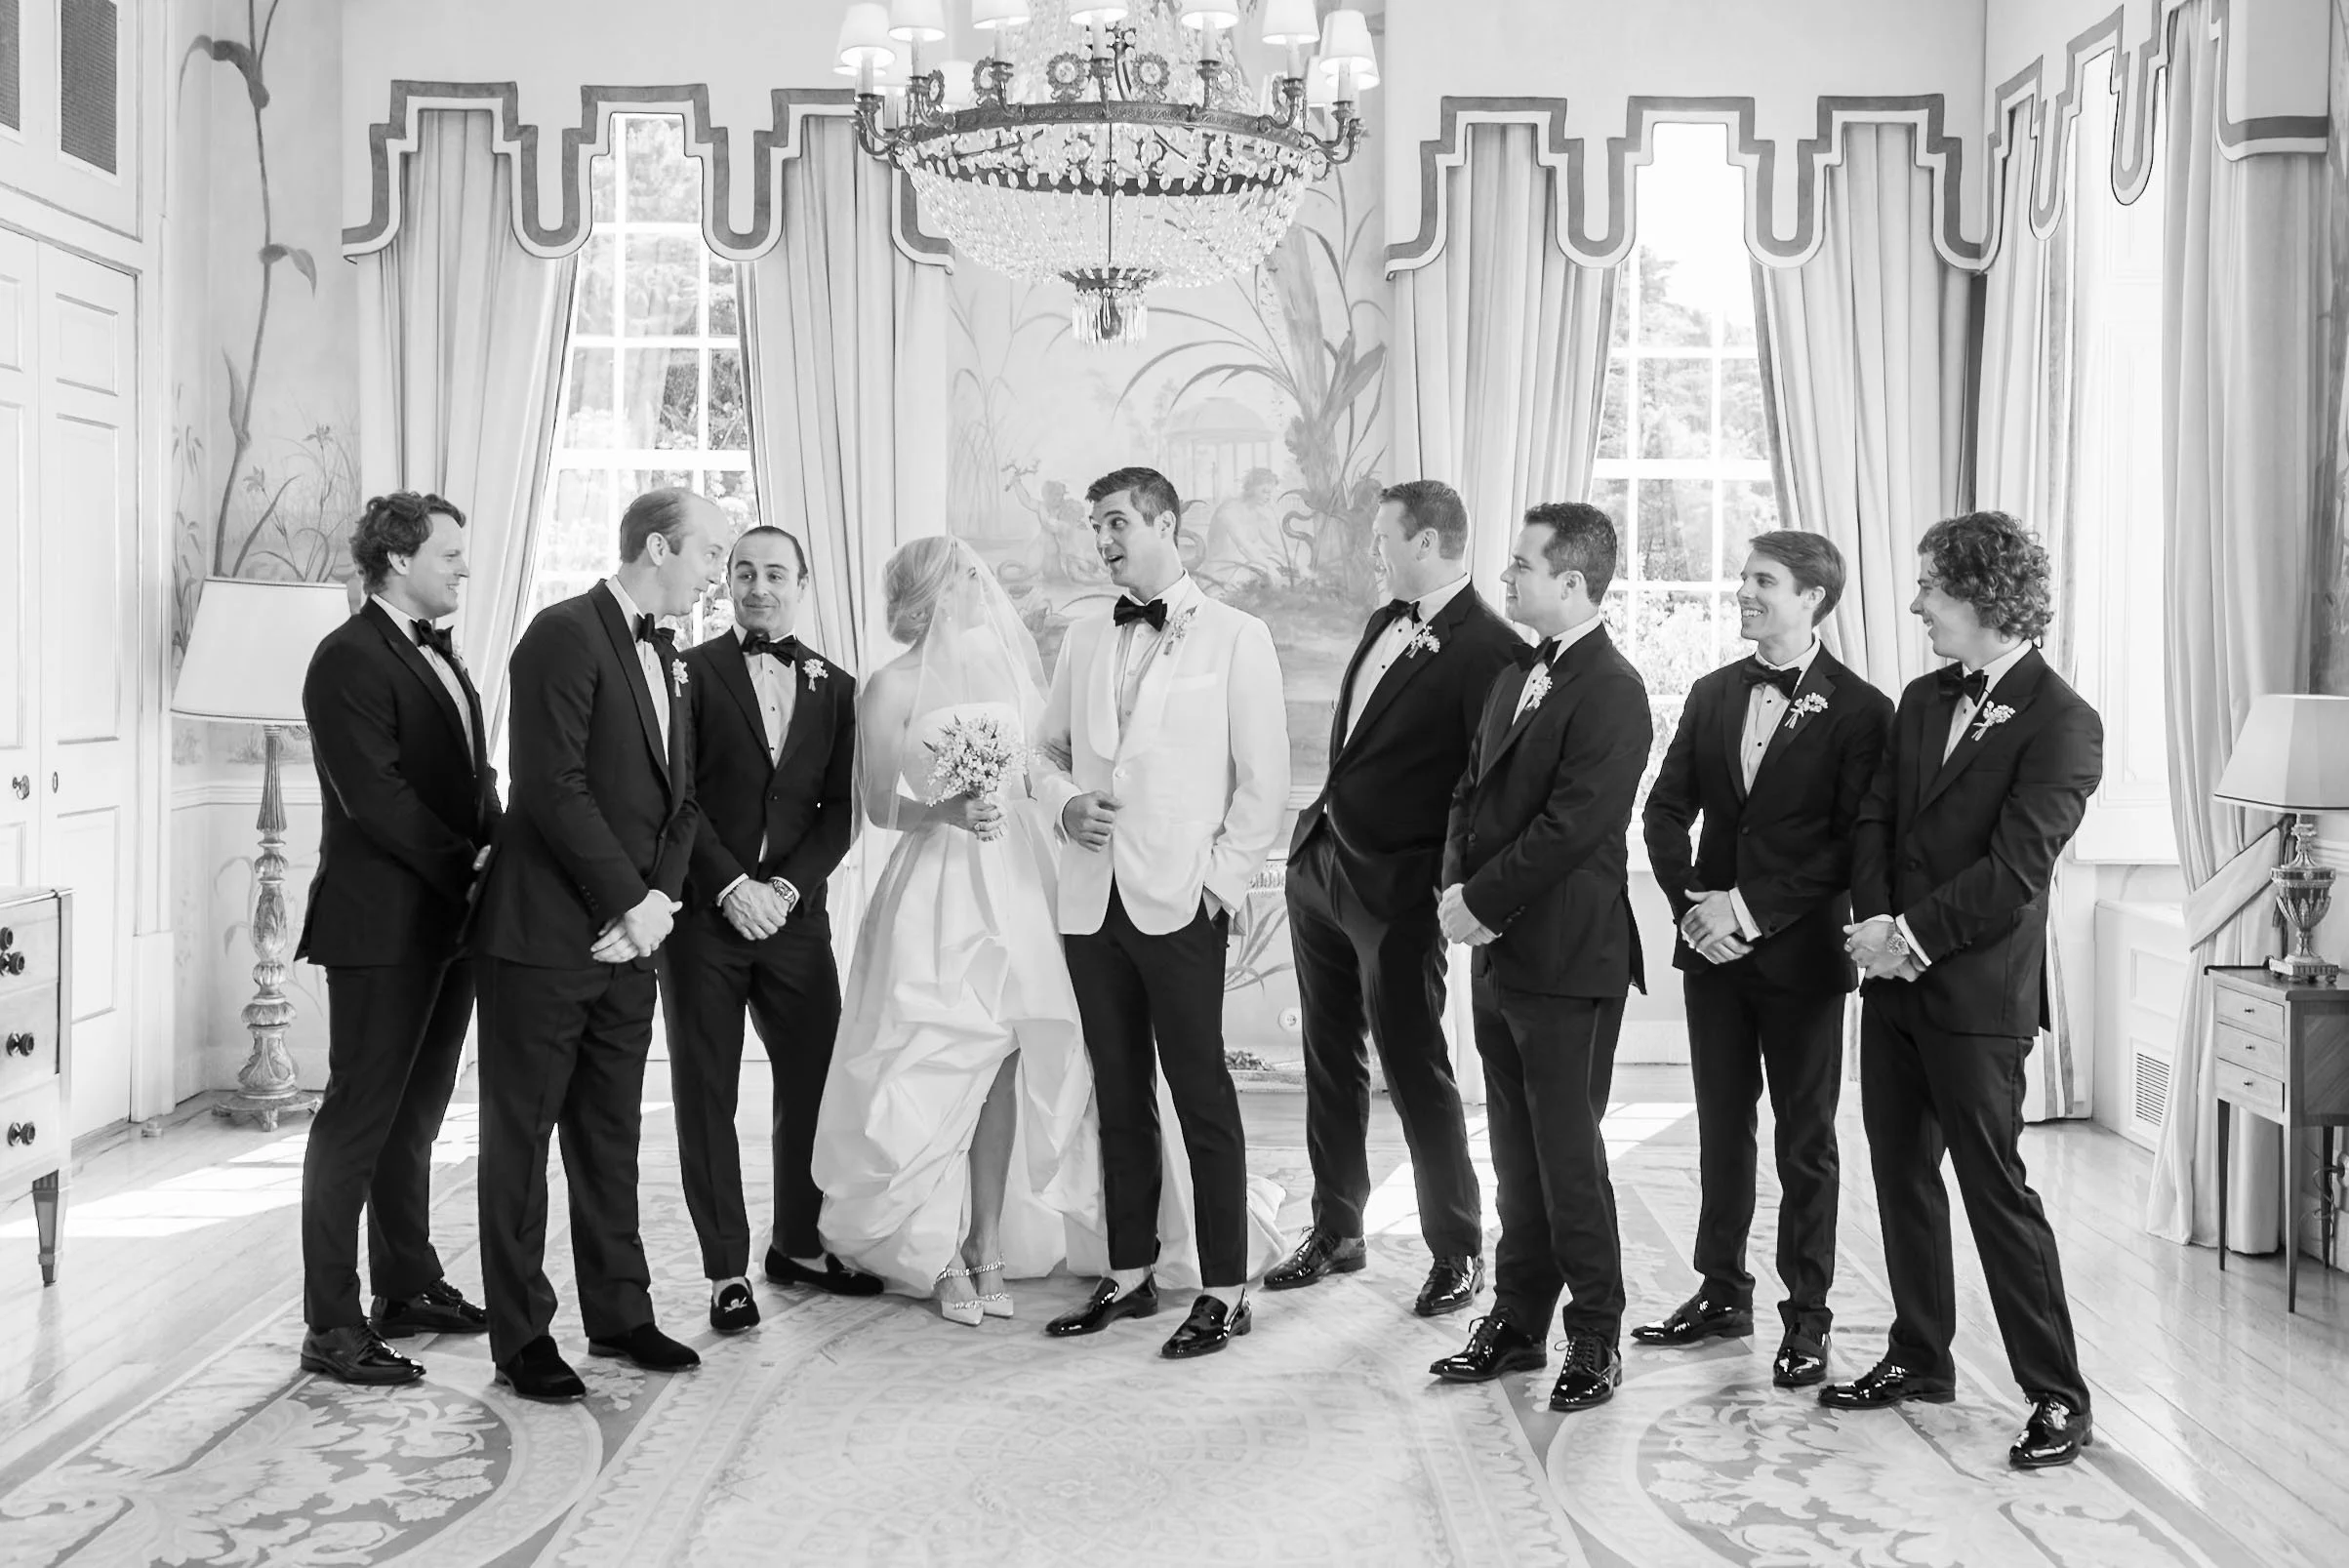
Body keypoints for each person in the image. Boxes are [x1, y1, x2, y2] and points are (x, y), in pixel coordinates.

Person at [1825, 510, 2102, 1471]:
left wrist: (1911, 935)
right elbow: (1875, 821)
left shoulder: (2064, 721)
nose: (1915, 605)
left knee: (1995, 1191)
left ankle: (2058, 1395)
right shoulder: (1918, 695)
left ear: (1986, 595)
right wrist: (1875, 932)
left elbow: (2015, 869)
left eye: (1931, 588)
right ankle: (1919, 1355)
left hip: (1977, 999)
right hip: (1892, 986)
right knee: (1899, 1176)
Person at [470, 487, 727, 1401]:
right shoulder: (561, 633)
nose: (714, 573)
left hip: (634, 939)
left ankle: (620, 1315)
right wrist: (628, 900)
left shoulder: (678, 660)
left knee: (610, 1136)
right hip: (543, 937)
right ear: (658, 547)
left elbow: (686, 798)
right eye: (708, 553)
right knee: (519, 1136)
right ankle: (523, 1334)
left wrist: (658, 902)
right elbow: (551, 784)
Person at [1036, 466, 1292, 1359]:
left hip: (1182, 899)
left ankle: (1224, 1288)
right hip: (1089, 897)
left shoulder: (1236, 636)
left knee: (1200, 1093)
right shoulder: (1083, 636)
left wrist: (1216, 888)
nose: (1100, 540)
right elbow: (1045, 751)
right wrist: (1064, 801)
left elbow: (1264, 785)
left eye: (1114, 522)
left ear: (1164, 523)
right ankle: (1131, 1273)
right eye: (1093, 525)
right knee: (1117, 1092)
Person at [812, 537, 1092, 1323]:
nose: (983, 586)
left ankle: (988, 1239)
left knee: (1001, 1057)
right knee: (933, 1061)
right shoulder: (890, 685)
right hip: (936, 882)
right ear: (933, 591)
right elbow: (874, 806)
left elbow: (1037, 769)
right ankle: (934, 1249)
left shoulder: (1002, 669)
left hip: (1012, 875)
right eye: (967, 576)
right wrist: (942, 809)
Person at [1636, 531, 1892, 1387]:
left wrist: (1748, 909)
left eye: (1763, 581)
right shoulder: (1713, 692)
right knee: (1719, 1128)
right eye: (1744, 578)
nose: (1743, 592)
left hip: (1801, 958)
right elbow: (1663, 812)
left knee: (1805, 1140)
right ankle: (1720, 1289)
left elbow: (1851, 844)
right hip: (1712, 953)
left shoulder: (1861, 709)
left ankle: (1808, 1315)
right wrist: (1694, 908)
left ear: (1813, 597)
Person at [1270, 479, 1520, 1317]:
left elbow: (1481, 786)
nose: (1373, 552)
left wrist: (1441, 882)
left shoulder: (1490, 647)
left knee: (1415, 1068)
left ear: (1424, 542)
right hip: (1321, 868)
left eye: (1384, 537)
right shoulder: (1384, 621)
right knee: (1327, 1057)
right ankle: (1335, 1227)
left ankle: (1457, 1247)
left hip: (1400, 890)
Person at [1428, 502, 1649, 1413]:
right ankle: (1517, 1318)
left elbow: (1573, 827)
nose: (1505, 578)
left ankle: (1595, 1333)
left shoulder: (1613, 688)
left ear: (1572, 581)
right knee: (1514, 1149)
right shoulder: (1515, 674)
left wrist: (1479, 900)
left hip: (1566, 955)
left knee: (1567, 1155)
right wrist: (1455, 889)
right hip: (1497, 954)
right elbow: (1468, 795)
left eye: (1520, 566)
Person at [293, 492, 499, 1386]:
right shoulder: (344, 659)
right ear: (398, 559)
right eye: (450, 553)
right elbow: (377, 802)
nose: (462, 566)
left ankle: (406, 1281)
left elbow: (471, 771)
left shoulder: (442, 652)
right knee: (356, 1120)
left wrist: (499, 853)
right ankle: (330, 1320)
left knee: (417, 1115)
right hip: (380, 927)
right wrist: (470, 863)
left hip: (445, 920)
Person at [660, 526, 878, 1335]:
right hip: (703, 921)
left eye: (774, 573)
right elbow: (675, 795)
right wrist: (728, 886)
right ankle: (726, 1269)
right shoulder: (685, 672)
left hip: (796, 918)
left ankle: (799, 1243)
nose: (757, 585)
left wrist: (782, 887)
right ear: (727, 581)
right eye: (743, 571)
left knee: (815, 1082)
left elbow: (838, 808)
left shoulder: (838, 686)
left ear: (802, 582)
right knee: (706, 1091)